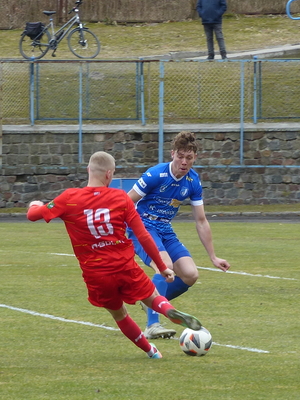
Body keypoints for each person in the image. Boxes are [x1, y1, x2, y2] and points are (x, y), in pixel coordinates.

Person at [27, 151, 203, 359]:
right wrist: (162, 266)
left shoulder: (69, 198)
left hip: (96, 273)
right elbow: (143, 236)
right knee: (152, 297)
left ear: (88, 170)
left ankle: (151, 351)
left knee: (119, 314)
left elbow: (33, 216)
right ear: (109, 174)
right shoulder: (121, 197)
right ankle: (167, 310)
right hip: (124, 266)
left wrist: (35, 205)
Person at [128, 131, 231, 339]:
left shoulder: (193, 181)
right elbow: (126, 202)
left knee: (190, 274)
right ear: (172, 154)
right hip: (142, 227)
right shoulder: (156, 174)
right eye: (180, 156)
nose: (184, 162)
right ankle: (152, 325)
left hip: (164, 228)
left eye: (189, 158)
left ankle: (152, 300)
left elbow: (201, 220)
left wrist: (213, 256)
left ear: (195, 158)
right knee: (164, 265)